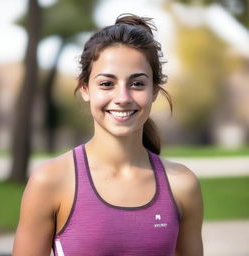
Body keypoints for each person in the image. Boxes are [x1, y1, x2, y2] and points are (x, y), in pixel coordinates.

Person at [13, 14, 203, 256]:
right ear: (85, 88)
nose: (122, 97)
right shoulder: (49, 181)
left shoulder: (182, 184)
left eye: (137, 84)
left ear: (154, 90)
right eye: (106, 84)